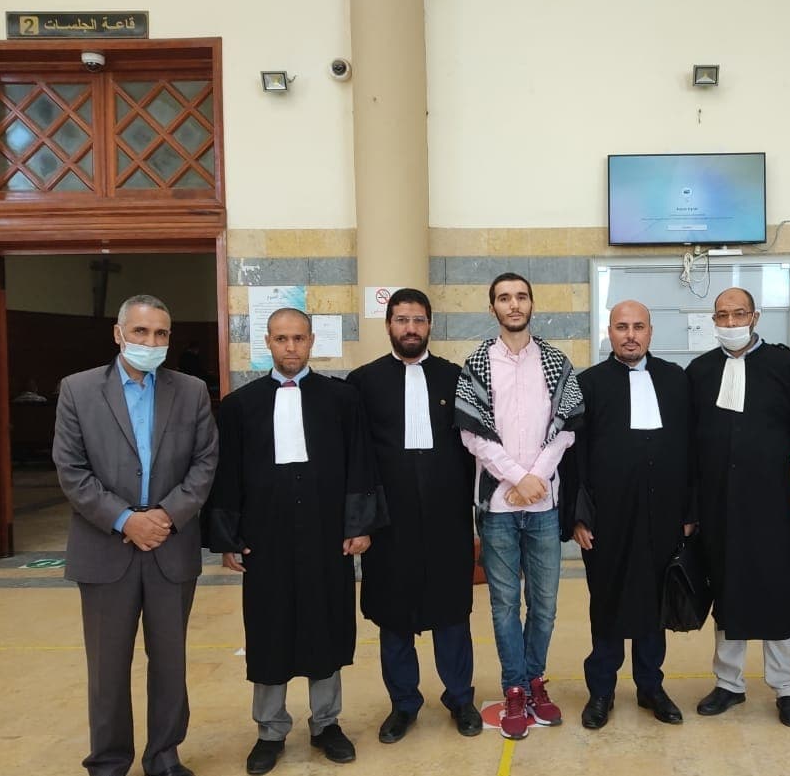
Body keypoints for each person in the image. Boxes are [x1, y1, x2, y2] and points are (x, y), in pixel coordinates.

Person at [203, 308, 381, 774]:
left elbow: (360, 463)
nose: (290, 347)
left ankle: (326, 723)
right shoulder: (240, 406)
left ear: (311, 341)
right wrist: (228, 536)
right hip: (265, 538)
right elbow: (227, 474)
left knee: (326, 623)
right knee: (269, 628)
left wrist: (358, 524)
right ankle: (270, 729)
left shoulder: (341, 399)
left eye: (298, 338)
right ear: (267, 341)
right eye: (281, 338)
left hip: (327, 534)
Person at [52, 294, 218, 776]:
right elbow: (71, 469)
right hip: (106, 546)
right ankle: (108, 761)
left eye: (161, 333)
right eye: (141, 331)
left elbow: (205, 462)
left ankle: (164, 756)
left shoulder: (190, 391)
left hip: (171, 544)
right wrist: (126, 519)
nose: (151, 341)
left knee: (169, 663)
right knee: (107, 667)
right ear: (119, 334)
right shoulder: (78, 390)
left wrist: (166, 515)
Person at [346, 288, 482, 743]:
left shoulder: (455, 378)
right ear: (388, 325)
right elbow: (356, 457)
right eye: (402, 320)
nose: (410, 328)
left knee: (451, 612)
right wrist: (360, 520)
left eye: (418, 320)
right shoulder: (363, 382)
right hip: (390, 522)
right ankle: (404, 703)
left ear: (430, 325)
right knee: (394, 615)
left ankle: (460, 697)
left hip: (448, 518)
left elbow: (475, 449)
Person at [454, 272, 583, 740]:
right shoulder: (476, 364)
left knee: (544, 605)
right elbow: (472, 434)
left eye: (521, 296)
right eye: (504, 298)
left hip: (543, 503)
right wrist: (515, 478)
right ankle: (514, 688)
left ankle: (535, 681)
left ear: (532, 304)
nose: (514, 304)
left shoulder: (555, 361)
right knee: (505, 604)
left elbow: (567, 427)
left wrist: (535, 479)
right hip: (498, 505)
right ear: (492, 307)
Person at [686, 287, 790, 727]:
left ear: (755, 316)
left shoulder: (788, 368)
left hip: (775, 506)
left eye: (738, 314)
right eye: (722, 315)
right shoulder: (700, 372)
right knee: (727, 593)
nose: (730, 322)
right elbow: (689, 448)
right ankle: (729, 684)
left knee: (780, 593)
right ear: (713, 321)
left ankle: (788, 688)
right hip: (718, 506)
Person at [571, 300, 694, 730]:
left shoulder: (675, 380)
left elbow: (691, 449)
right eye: (621, 327)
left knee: (654, 602)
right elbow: (575, 457)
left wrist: (689, 511)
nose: (630, 335)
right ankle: (601, 690)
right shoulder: (588, 384)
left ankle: (650, 687)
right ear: (609, 332)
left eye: (638, 326)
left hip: (664, 514)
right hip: (607, 518)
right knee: (607, 601)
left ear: (650, 332)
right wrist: (579, 517)